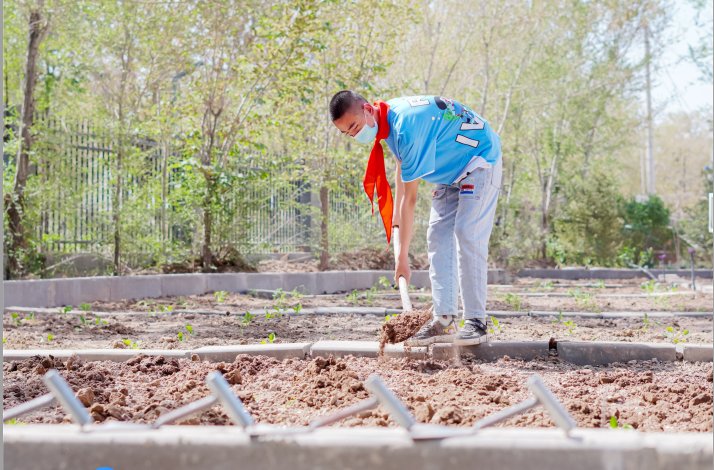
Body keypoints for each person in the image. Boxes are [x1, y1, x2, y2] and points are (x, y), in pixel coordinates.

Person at [329, 90, 502, 346]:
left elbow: (409, 201)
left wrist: (403, 260)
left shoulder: (406, 126)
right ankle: (444, 320)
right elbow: (400, 190)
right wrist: (400, 256)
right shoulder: (390, 124)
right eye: (347, 133)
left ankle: (477, 322)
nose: (354, 134)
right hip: (448, 173)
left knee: (466, 232)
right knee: (437, 236)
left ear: (367, 109)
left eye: (354, 126)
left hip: (479, 160)